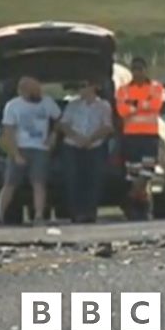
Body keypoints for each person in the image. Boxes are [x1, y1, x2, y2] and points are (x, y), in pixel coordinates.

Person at [0, 77, 62, 225]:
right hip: (20, 147)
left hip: (40, 148)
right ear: (23, 91)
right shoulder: (13, 106)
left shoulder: (47, 102)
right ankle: (0, 215)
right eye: (34, 90)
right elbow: (8, 131)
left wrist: (53, 135)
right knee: (10, 184)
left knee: (39, 183)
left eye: (38, 89)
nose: (38, 92)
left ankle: (39, 216)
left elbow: (59, 119)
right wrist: (15, 153)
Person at [60, 78, 113, 223]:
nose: (81, 89)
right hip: (73, 146)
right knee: (73, 179)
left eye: (84, 86)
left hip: (94, 146)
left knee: (93, 179)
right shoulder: (73, 105)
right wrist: (78, 139)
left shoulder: (103, 106)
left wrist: (90, 139)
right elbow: (64, 125)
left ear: (93, 87)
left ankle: (90, 212)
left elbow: (107, 126)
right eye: (80, 86)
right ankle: (76, 213)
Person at [116, 57, 164, 165]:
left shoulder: (156, 87)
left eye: (140, 69)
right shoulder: (123, 90)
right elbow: (121, 111)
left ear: (145, 70)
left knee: (147, 171)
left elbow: (156, 105)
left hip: (150, 136)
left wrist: (133, 104)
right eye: (134, 70)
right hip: (131, 137)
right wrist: (145, 104)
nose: (137, 73)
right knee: (133, 172)